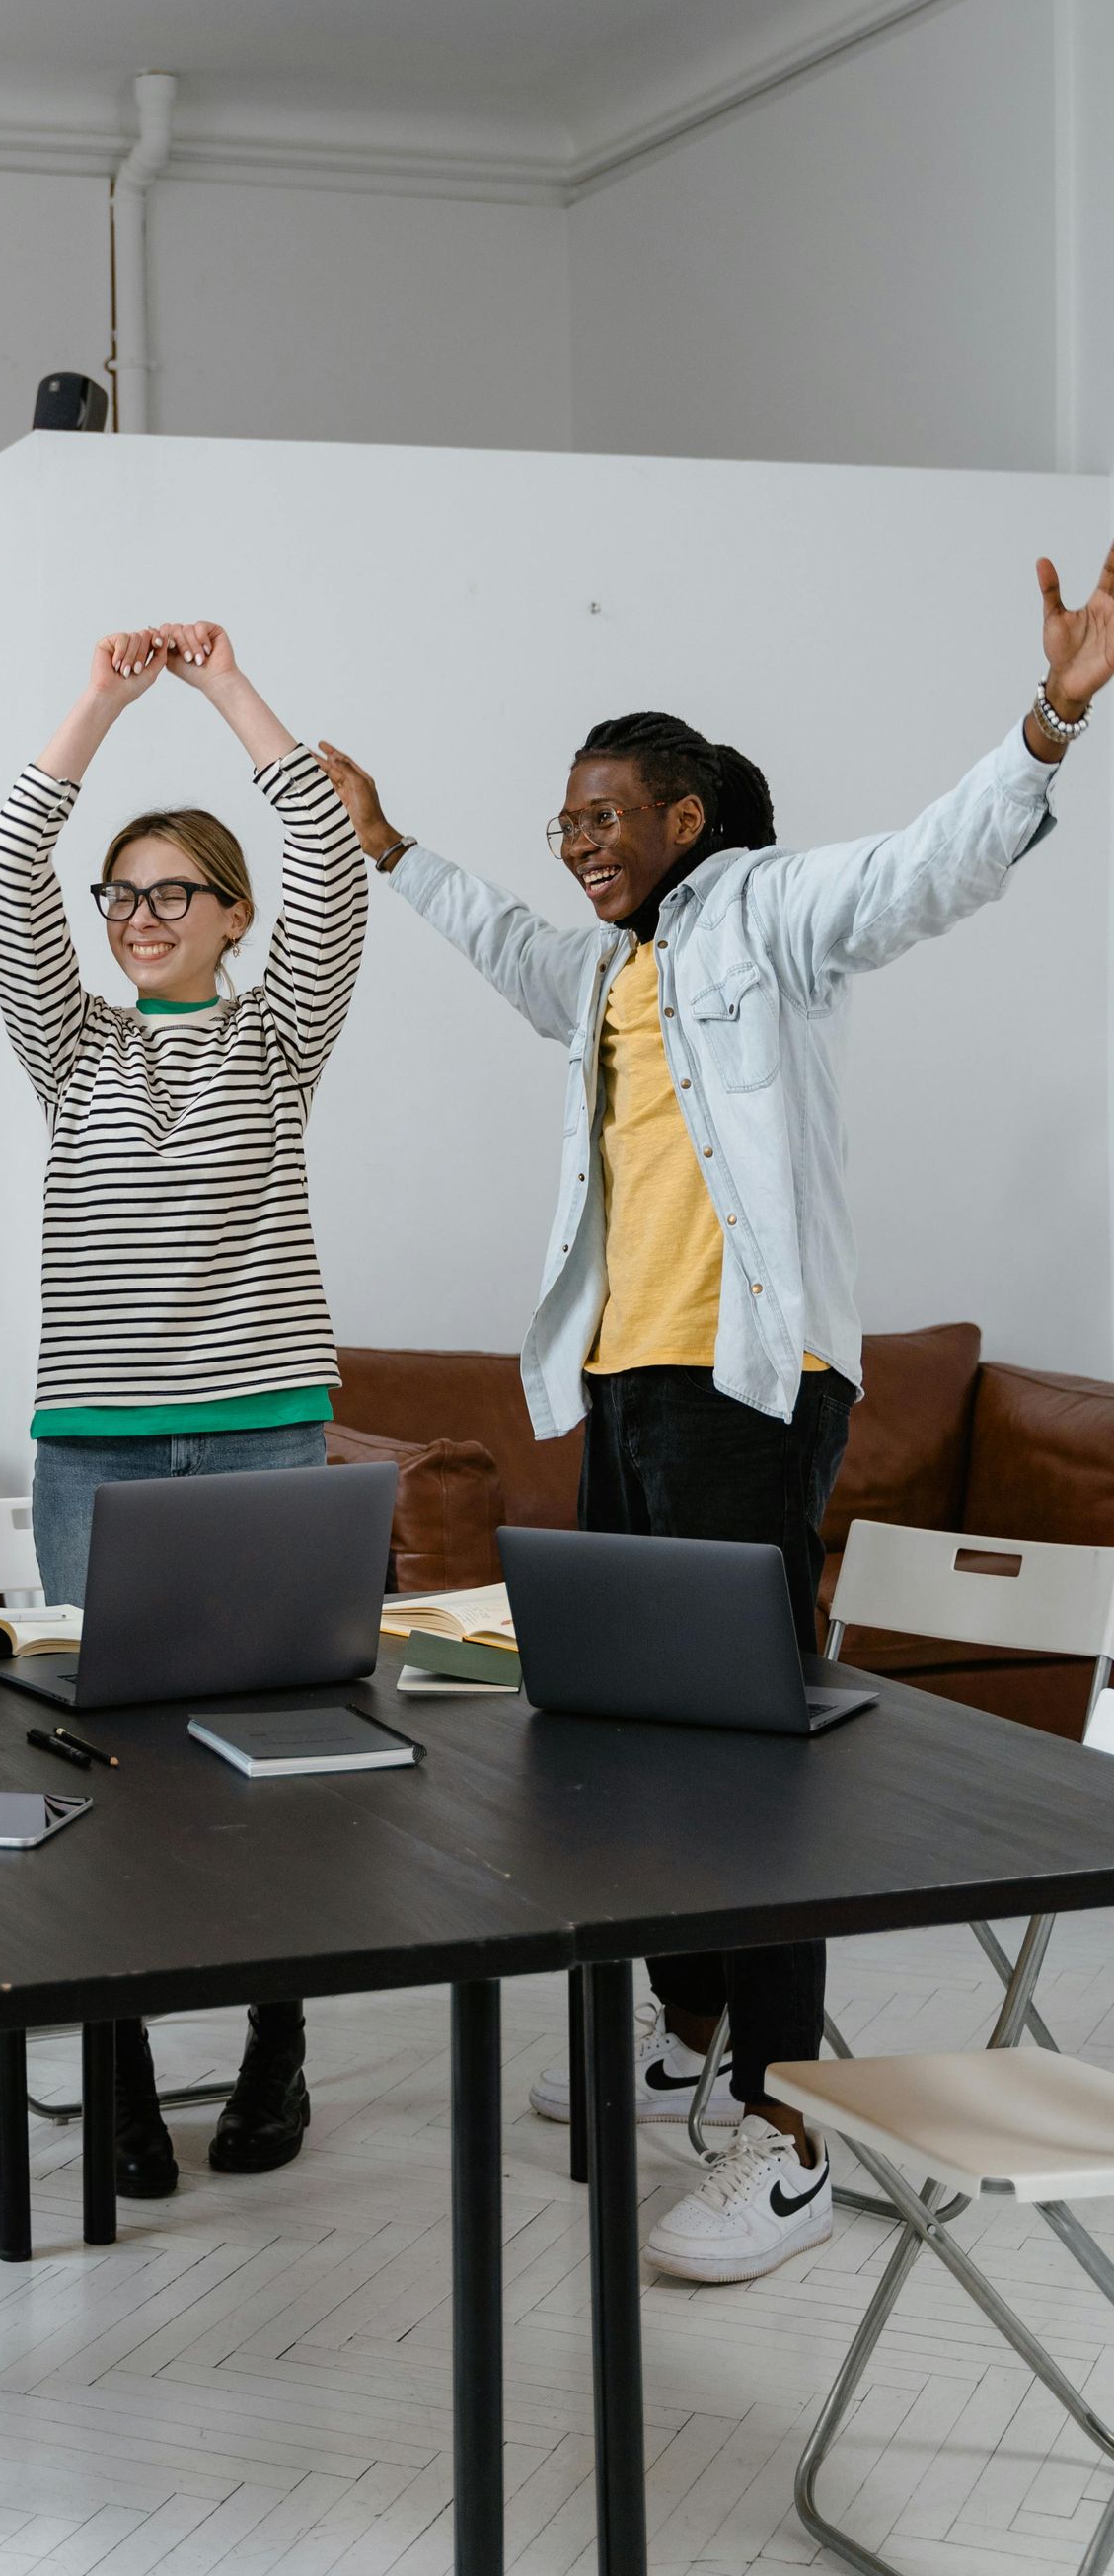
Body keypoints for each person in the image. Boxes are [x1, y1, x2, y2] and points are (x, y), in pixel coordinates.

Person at [319, 535, 1114, 2286]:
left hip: (751, 1388)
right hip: (624, 1384)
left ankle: (788, 2120)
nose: (581, 840)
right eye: (568, 819)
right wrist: (389, 849)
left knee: (752, 1755)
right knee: (634, 1733)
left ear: (688, 819)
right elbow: (509, 944)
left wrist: (1050, 722)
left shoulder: (769, 916)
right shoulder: (608, 974)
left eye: (606, 815)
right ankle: (688, 2022)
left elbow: (924, 871)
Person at [0, 619, 366, 2197]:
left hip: (269, 1438)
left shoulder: (279, 1038)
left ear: (234, 917)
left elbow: (332, 858)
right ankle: (122, 2062)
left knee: (273, 1769)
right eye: (120, 896)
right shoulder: (70, 1049)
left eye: (171, 895)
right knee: (112, 1775)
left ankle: (278, 2043)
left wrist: (220, 691)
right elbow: (15, 873)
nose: (137, 919)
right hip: (99, 1459)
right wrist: (95, 706)